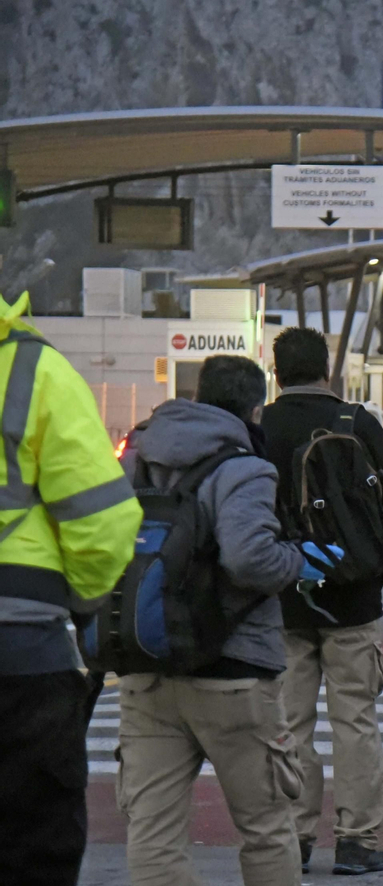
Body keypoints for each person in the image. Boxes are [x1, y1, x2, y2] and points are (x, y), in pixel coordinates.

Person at [116, 355, 312, 886]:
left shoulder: (138, 460)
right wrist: (297, 561)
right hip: (234, 671)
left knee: (153, 831)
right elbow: (250, 559)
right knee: (266, 826)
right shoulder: (244, 468)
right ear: (254, 409)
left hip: (146, 662)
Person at [0, 292, 142, 886]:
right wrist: (81, 605)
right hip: (21, 645)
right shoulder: (31, 369)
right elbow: (102, 523)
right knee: (32, 840)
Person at [260, 327, 383, 875]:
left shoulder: (263, 428)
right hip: (352, 600)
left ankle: (296, 838)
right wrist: (374, 573)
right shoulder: (358, 422)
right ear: (328, 369)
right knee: (355, 720)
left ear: (277, 372)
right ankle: (356, 841)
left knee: (289, 723)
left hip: (285, 600)